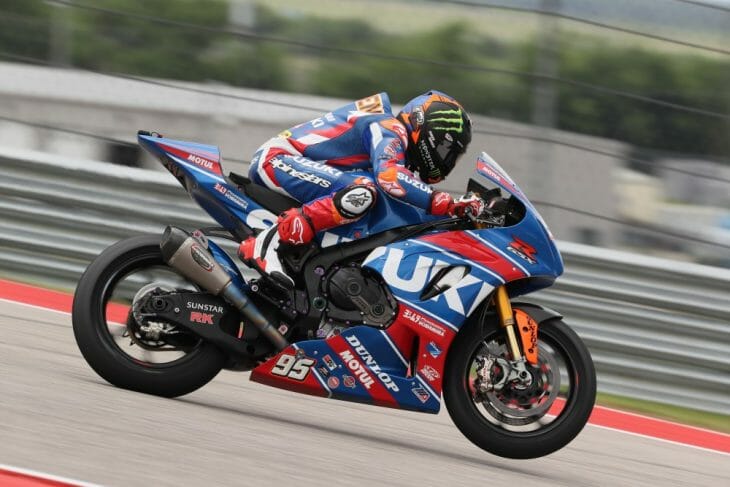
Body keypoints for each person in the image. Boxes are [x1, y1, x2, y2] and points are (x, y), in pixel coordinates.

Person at [239, 90, 485, 289]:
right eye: (445, 149)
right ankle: (269, 243)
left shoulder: (392, 138)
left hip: (291, 164)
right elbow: (391, 178)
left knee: (367, 194)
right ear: (427, 130)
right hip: (277, 159)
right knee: (362, 192)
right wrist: (449, 204)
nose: (447, 160)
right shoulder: (389, 127)